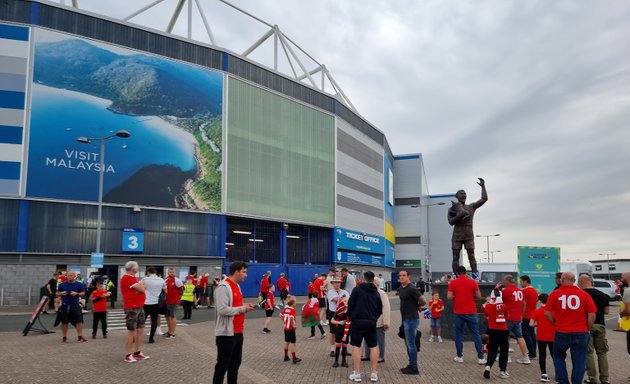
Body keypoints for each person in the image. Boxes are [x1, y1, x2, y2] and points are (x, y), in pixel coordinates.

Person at [544, 272, 596, 384]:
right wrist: (587, 328)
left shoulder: (555, 294)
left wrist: (555, 323)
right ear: (574, 280)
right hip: (581, 332)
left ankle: (563, 381)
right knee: (579, 361)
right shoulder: (584, 294)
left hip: (561, 332)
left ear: (562, 280)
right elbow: (592, 315)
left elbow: (547, 313)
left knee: (558, 357)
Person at [213, 261, 255, 384]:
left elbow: (235, 305)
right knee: (222, 366)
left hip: (238, 332)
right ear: (236, 272)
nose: (246, 275)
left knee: (235, 364)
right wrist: (243, 309)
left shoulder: (237, 286)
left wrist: (245, 306)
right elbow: (222, 309)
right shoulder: (223, 287)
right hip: (226, 334)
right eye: (244, 272)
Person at [447, 178, 487, 279]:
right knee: (455, 256)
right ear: (457, 196)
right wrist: (460, 215)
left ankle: (475, 276)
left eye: (465, 194)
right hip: (457, 234)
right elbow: (451, 222)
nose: (463, 195)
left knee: (472, 256)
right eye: (461, 194)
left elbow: (484, 199)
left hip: (469, 234)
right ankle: (455, 276)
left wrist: (483, 186)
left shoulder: (471, 207)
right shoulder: (452, 208)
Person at [347, 271, 382, 383]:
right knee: (373, 346)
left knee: (357, 346)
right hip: (371, 322)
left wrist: (352, 317)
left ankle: (357, 373)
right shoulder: (376, 292)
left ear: (363, 278)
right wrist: (374, 318)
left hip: (357, 322)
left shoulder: (357, 289)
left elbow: (350, 304)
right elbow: (379, 309)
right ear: (373, 279)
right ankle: (374, 373)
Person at [447, 266, 485, 364]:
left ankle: (460, 356)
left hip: (459, 312)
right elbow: (479, 296)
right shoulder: (472, 282)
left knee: (458, 334)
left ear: (457, 273)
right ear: (465, 272)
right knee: (476, 334)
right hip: (471, 311)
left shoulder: (453, 282)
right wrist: (470, 294)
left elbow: (449, 297)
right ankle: (481, 358)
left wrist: (457, 295)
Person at [578, 274, 610, 384]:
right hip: (601, 326)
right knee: (602, 353)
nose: (578, 284)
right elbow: (607, 312)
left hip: (587, 326)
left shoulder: (582, 295)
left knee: (588, 353)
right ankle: (605, 379)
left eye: (579, 282)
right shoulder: (603, 295)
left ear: (582, 281)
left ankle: (592, 378)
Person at [120, 261, 148, 363]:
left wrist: (141, 288)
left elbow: (141, 288)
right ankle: (128, 354)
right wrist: (141, 287)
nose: (138, 268)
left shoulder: (133, 278)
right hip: (131, 308)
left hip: (139, 306)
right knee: (132, 330)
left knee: (140, 330)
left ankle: (137, 352)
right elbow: (142, 288)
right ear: (133, 269)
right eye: (137, 267)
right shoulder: (127, 278)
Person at [398, 270, 425, 375]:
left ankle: (414, 368)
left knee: (411, 343)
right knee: (407, 343)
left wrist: (418, 306)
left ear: (408, 276)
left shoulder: (412, 288)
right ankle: (411, 364)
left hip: (411, 319)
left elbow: (423, 300)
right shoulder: (401, 288)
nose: (401, 277)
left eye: (404, 275)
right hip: (404, 319)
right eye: (400, 276)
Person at [500, 275, 531, 364]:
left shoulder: (506, 291)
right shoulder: (519, 291)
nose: (503, 282)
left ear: (508, 281)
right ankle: (526, 357)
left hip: (508, 317)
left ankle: (506, 357)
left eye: (504, 281)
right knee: (520, 337)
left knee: (506, 337)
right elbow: (524, 303)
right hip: (517, 318)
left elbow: (497, 301)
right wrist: (521, 314)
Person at [362, 276, 390, 363]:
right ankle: (367, 355)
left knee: (380, 339)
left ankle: (381, 356)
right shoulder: (366, 293)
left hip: (379, 321)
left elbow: (386, 308)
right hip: (367, 321)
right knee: (366, 338)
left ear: (377, 285)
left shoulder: (382, 293)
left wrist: (386, 322)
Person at [482, 289, 509, 379]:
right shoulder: (503, 306)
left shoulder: (488, 306)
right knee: (504, 350)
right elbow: (507, 315)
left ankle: (488, 366)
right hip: (503, 330)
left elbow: (486, 315)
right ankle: (502, 370)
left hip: (492, 330)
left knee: (492, 349)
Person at [56, 270, 87, 343]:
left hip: (75, 305)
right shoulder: (62, 284)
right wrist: (61, 293)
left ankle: (80, 336)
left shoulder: (79, 284)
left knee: (79, 321)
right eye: (68, 275)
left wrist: (76, 294)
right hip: (65, 305)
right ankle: (64, 337)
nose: (69, 277)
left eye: (71, 275)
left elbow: (83, 293)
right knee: (64, 322)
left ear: (75, 276)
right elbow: (57, 293)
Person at [530, 293, 555, 383]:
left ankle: (544, 374)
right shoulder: (553, 311)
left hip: (541, 336)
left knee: (542, 355)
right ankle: (559, 373)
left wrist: (537, 324)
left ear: (539, 301)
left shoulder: (536, 311)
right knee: (554, 355)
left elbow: (531, 324)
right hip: (553, 336)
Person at [142, 266, 166, 343]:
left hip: (145, 303)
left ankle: (135, 337)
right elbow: (166, 292)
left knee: (141, 321)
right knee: (154, 321)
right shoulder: (161, 280)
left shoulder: (145, 279)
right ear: (155, 272)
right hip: (155, 303)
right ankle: (151, 338)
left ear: (148, 272)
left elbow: (140, 288)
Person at [326, 278, 349, 356]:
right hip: (333, 313)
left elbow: (348, 301)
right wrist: (344, 299)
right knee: (333, 332)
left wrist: (344, 300)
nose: (337, 284)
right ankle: (332, 349)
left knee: (344, 331)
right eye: (335, 282)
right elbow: (337, 300)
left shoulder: (344, 291)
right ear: (332, 283)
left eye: (339, 283)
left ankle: (344, 349)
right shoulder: (330, 292)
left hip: (343, 314)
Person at [520, 275, 539, 359]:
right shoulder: (535, 291)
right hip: (533, 315)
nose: (520, 283)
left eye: (521, 281)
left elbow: (522, 303)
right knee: (532, 334)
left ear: (525, 281)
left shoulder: (523, 291)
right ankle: (533, 351)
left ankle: (531, 352)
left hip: (525, 315)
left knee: (526, 335)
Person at [280, 296, 301, 364]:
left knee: (286, 341)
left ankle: (286, 356)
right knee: (293, 343)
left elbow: (280, 315)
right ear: (293, 303)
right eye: (295, 302)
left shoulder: (285, 309)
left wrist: (284, 321)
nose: (296, 303)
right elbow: (292, 318)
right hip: (291, 329)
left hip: (286, 328)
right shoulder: (293, 310)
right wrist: (294, 325)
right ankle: (294, 358)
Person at [331, 295, 350, 368]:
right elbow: (332, 321)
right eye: (344, 301)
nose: (346, 302)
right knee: (338, 346)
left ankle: (344, 361)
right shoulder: (338, 311)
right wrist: (339, 322)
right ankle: (336, 361)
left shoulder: (349, 311)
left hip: (347, 331)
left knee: (345, 346)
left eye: (347, 301)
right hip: (339, 330)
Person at [164, 267, 183, 338]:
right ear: (168, 272)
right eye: (170, 272)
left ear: (175, 273)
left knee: (172, 316)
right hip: (167, 301)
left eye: (173, 272)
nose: (171, 273)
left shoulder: (177, 280)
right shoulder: (165, 280)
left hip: (174, 301)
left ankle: (173, 332)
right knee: (167, 316)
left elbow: (181, 290)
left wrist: (178, 298)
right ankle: (169, 331)